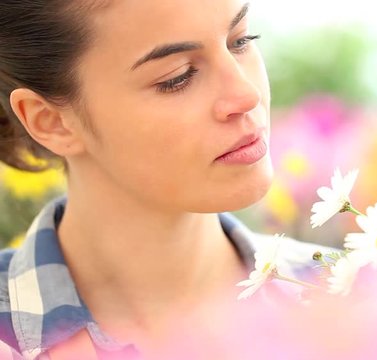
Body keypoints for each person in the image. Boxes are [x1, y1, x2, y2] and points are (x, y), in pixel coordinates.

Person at [0, 0, 329, 358]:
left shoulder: (356, 291)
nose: (246, 95)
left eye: (241, 40)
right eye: (178, 76)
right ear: (50, 121)